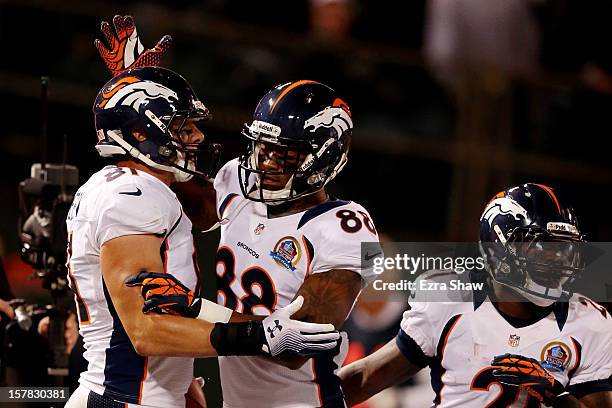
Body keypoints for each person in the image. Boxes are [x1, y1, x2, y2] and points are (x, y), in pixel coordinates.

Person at [63, 65, 340, 408]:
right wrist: (256, 336)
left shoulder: (121, 187)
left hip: (136, 393)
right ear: (139, 134)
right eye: (183, 127)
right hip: (127, 398)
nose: (196, 137)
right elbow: (144, 330)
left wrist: (177, 381)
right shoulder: (134, 197)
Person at [339, 183, 612, 407]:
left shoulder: (589, 322)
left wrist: (558, 397)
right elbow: (366, 377)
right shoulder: (450, 300)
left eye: (564, 249)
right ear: (498, 250)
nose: (558, 260)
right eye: (543, 247)